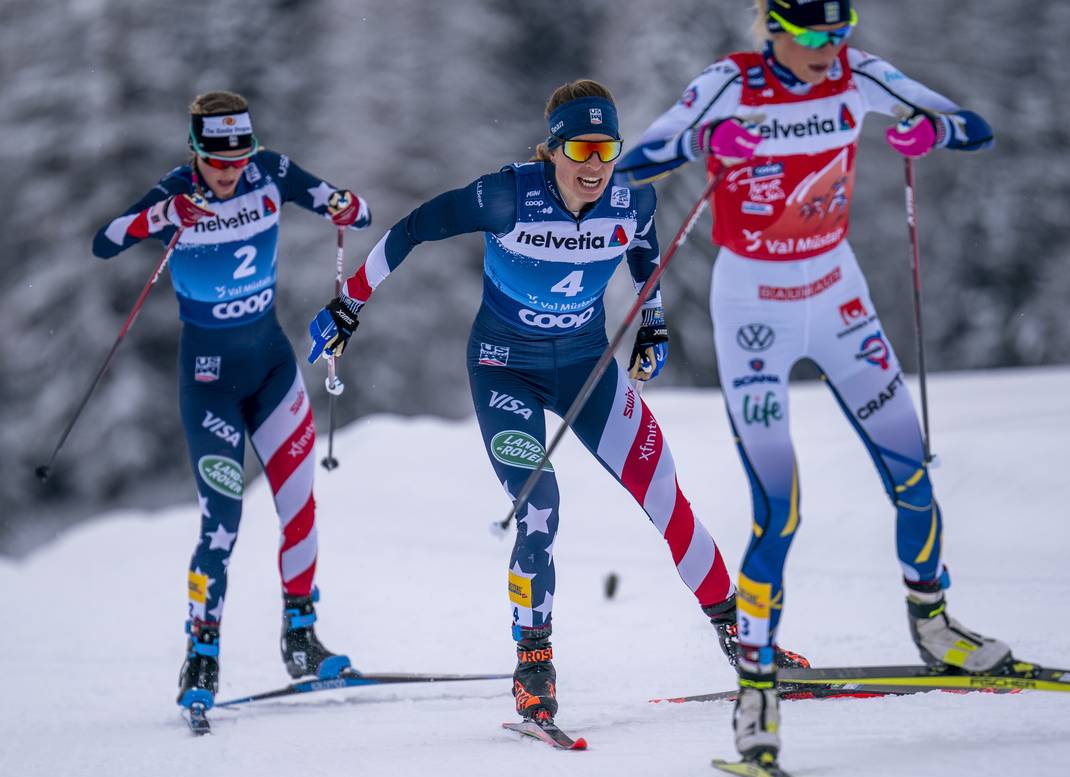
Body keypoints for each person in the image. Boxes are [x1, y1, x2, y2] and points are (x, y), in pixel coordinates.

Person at [307, 79, 807, 729]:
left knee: (667, 498)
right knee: (538, 507)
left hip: (586, 371)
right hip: (503, 371)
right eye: (580, 148)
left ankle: (741, 639)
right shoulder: (506, 195)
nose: (594, 164)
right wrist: (349, 303)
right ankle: (533, 664)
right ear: (553, 151)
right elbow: (410, 230)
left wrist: (650, 321)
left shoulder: (633, 197)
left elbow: (644, 250)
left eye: (606, 148)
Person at [618, 0, 1012, 766]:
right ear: (771, 28)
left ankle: (934, 626)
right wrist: (705, 141)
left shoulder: (857, 74)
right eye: (813, 36)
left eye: (842, 32)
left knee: (911, 471)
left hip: (836, 292)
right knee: (780, 510)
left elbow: (972, 125)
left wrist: (933, 130)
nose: (831, 49)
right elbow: (639, 157)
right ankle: (758, 692)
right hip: (753, 305)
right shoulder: (728, 83)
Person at [92, 91, 371, 712]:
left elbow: (354, 208)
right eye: (217, 158)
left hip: (271, 368)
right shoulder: (177, 190)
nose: (229, 170)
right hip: (209, 381)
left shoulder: (270, 171)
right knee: (222, 526)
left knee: (298, 506)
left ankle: (301, 639)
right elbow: (104, 242)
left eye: (238, 154)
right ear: (195, 151)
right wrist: (160, 215)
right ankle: (202, 653)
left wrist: (345, 206)